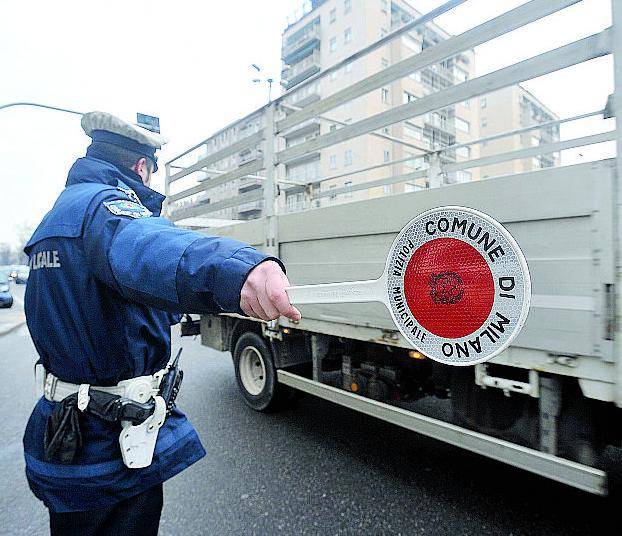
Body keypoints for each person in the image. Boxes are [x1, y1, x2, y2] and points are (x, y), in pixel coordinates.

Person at [22, 111, 301, 535]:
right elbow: (150, 246)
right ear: (141, 167)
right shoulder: (106, 209)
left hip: (68, 437)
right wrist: (239, 269)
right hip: (106, 447)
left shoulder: (56, 217)